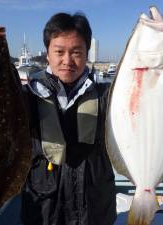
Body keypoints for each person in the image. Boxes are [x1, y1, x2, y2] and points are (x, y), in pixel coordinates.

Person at [20, 12, 117, 225]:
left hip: (95, 209)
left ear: (86, 53)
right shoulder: (26, 97)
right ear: (47, 54)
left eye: (76, 52)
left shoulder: (108, 96)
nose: (67, 60)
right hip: (44, 210)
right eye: (59, 52)